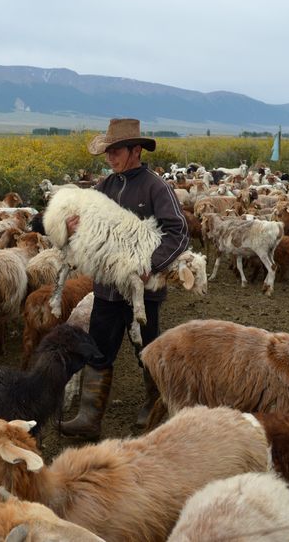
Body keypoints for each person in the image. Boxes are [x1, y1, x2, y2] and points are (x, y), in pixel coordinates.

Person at [59, 118, 189, 439]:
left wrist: (152, 263)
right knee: (99, 349)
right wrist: (74, 227)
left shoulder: (155, 187)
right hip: (106, 288)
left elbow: (178, 232)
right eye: (107, 151)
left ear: (135, 150)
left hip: (142, 290)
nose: (109, 157)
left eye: (115, 150)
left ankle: (155, 406)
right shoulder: (105, 186)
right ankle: (89, 417)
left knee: (147, 350)